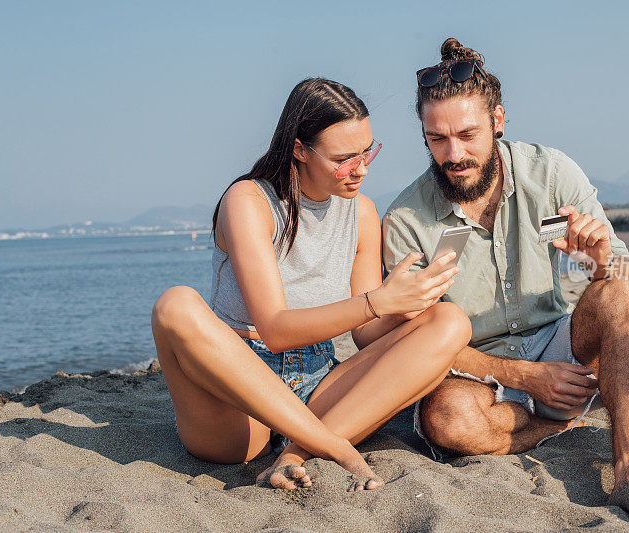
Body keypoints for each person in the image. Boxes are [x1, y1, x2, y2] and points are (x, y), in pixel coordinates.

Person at [382, 39, 629, 525]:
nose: (453, 154)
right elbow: (412, 339)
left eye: (467, 134)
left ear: (498, 120)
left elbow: (627, 274)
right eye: (436, 139)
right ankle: (557, 423)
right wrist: (522, 377)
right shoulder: (405, 219)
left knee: (619, 292)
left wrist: (601, 261)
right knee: (447, 420)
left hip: (558, 342)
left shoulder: (550, 173)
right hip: (473, 370)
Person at [151, 78, 471, 491]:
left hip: (318, 381)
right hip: (240, 400)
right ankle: (334, 448)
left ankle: (295, 453)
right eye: (344, 158)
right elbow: (276, 329)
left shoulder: (362, 213)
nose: (362, 168)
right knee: (174, 304)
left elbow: (363, 332)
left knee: (449, 321)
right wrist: (377, 301)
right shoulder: (249, 201)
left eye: (367, 151)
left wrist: (402, 307)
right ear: (300, 149)